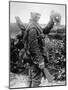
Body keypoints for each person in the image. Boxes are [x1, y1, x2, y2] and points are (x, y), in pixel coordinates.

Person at [22, 12, 57, 87]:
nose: (38, 18)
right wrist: (40, 60)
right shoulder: (33, 28)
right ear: (32, 16)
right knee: (36, 79)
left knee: (31, 76)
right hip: (35, 58)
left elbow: (44, 31)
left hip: (32, 56)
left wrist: (51, 22)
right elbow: (33, 46)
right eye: (36, 16)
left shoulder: (34, 24)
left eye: (39, 16)